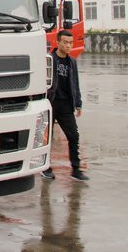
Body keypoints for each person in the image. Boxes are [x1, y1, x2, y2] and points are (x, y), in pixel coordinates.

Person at [42, 29, 89, 181]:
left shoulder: (72, 62)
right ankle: (45, 168)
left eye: (71, 43)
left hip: (66, 105)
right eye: (65, 42)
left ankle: (76, 170)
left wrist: (78, 104)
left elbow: (75, 84)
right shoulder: (49, 60)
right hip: (51, 103)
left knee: (73, 136)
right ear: (58, 42)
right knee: (46, 138)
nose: (68, 46)